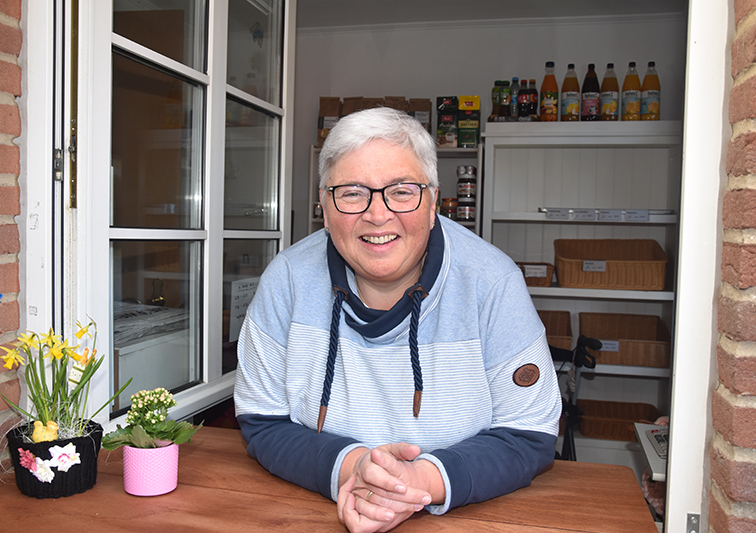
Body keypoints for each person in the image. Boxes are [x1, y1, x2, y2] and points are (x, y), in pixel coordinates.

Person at [234, 107, 561, 532]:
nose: (377, 214)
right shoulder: (287, 279)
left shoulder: (493, 282)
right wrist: (355, 469)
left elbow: (529, 433)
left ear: (432, 202)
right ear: (323, 206)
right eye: (352, 192)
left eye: (402, 191)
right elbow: (262, 420)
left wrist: (419, 480)